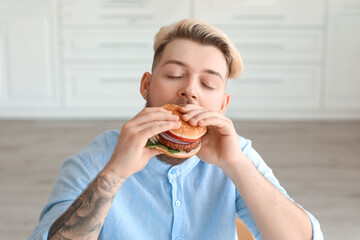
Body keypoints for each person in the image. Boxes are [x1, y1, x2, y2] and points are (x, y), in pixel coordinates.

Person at [29, 19, 323, 240]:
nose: (189, 91)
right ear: (146, 85)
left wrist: (236, 166)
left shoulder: (236, 154)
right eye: (174, 75)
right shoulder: (96, 161)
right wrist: (115, 173)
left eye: (208, 84)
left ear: (222, 105)